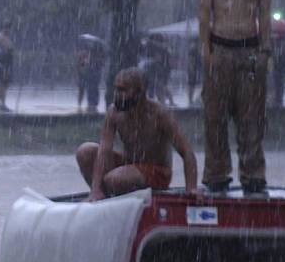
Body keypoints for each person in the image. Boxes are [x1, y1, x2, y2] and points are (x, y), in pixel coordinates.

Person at [196, 0, 272, 195]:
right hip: (220, 46)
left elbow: (264, 13)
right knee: (215, 115)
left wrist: (265, 50)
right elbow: (205, 11)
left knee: (252, 116)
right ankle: (216, 173)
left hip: (250, 48)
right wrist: (206, 51)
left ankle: (253, 174)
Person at [75, 68, 200, 199]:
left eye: (122, 90)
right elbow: (104, 150)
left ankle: (113, 193)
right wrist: (95, 188)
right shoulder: (114, 112)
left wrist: (191, 188)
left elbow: (187, 151)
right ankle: (101, 197)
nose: (117, 94)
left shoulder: (160, 114)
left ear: (140, 92)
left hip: (156, 172)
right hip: (128, 166)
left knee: (114, 179)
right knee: (85, 152)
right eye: (116, 89)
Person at [0, 24, 15, 112]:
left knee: (5, 84)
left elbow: (10, 48)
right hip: (1, 63)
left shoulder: (7, 37)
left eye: (9, 28)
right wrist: (5, 51)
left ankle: (3, 103)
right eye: (6, 28)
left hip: (7, 63)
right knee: (0, 83)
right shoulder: (0, 36)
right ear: (3, 28)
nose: (8, 30)